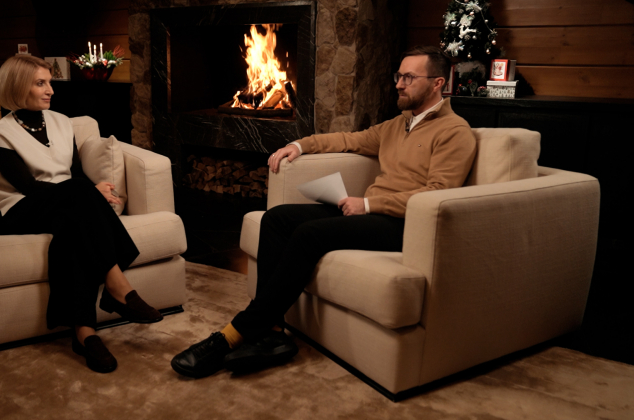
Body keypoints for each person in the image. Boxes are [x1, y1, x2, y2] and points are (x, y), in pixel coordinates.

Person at [171, 45, 477, 378]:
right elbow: (348, 139)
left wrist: (368, 204)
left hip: (404, 225)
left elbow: (437, 195)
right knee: (277, 219)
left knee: (309, 234)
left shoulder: (454, 131)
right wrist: (299, 145)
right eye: (398, 76)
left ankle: (234, 334)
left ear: (437, 83)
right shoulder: (398, 125)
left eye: (409, 77)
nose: (399, 84)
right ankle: (271, 332)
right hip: (371, 215)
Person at [0, 55, 163, 374]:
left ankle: (85, 333)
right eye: (41, 83)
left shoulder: (62, 122)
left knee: (72, 229)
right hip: (19, 209)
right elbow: (29, 188)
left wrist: (91, 190)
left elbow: (75, 173)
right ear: (17, 86)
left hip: (65, 205)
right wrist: (88, 192)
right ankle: (117, 284)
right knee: (79, 194)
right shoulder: (1, 133)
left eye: (50, 82)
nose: (50, 90)